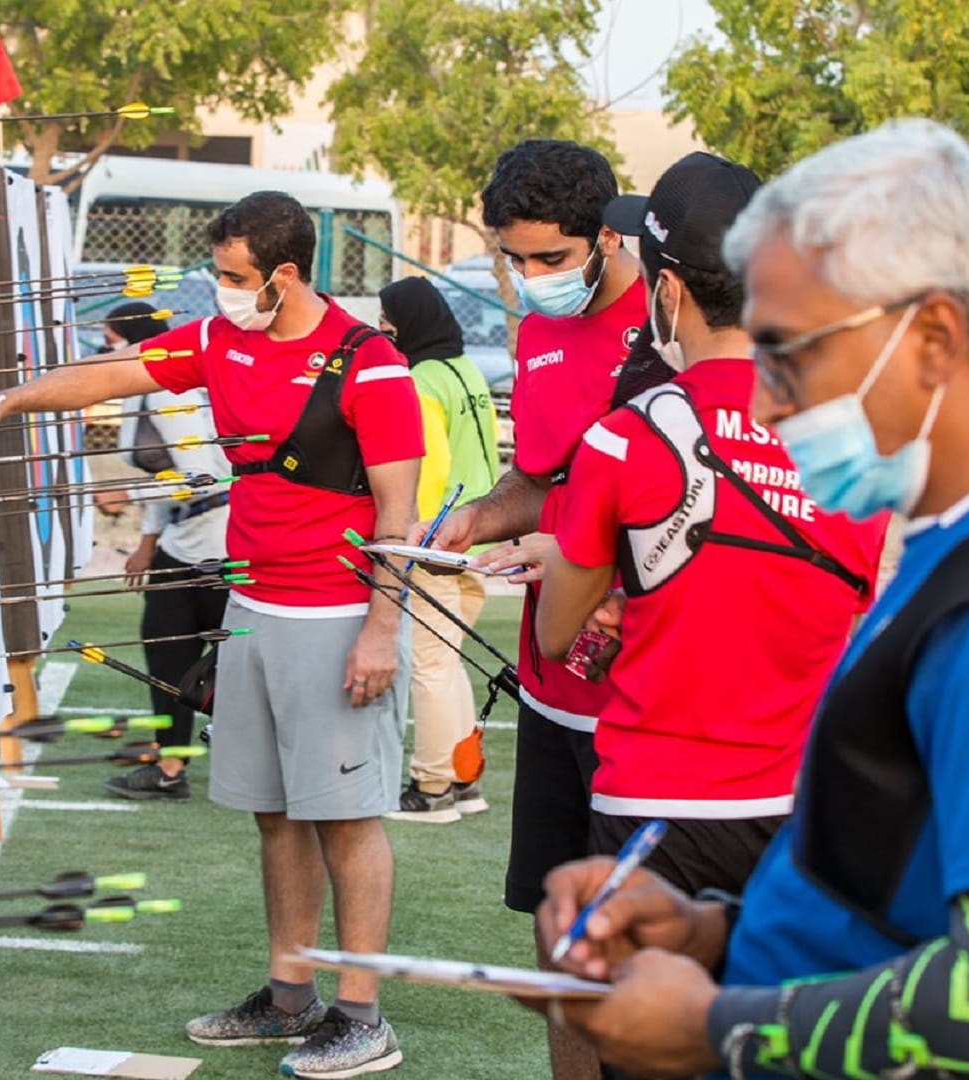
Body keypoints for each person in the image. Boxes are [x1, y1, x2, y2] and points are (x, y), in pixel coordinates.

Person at [533, 119, 969, 1080]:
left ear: (932, 338)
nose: (767, 401)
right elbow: (907, 888)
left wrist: (718, 1027)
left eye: (789, 351)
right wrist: (713, 931)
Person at [0, 192, 422, 1079]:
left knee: (346, 821)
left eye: (235, 277)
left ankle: (363, 1017)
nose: (222, 290)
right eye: (218, 272)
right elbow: (113, 376)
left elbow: (400, 515)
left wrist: (380, 629)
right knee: (275, 815)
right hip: (252, 612)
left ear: (285, 274)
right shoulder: (217, 340)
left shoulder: (372, 363)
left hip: (337, 618)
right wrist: (9, 400)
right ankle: (290, 998)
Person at [534, 152, 887, 896]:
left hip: (654, 809)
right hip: (803, 809)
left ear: (667, 291)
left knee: (627, 978)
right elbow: (837, 612)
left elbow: (555, 635)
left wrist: (614, 594)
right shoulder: (854, 442)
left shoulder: (624, 437)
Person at [415, 139, 655, 1080]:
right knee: (559, 935)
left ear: (608, 237)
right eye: (513, 260)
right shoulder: (539, 333)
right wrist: (474, 518)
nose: (531, 279)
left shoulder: (675, 324)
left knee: (644, 950)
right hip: (555, 690)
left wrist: (598, 572)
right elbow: (540, 477)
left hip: (647, 702)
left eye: (551, 258)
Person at [375, 277, 500, 824]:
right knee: (447, 663)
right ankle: (464, 780)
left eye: (387, 319)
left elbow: (428, 466)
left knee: (430, 665)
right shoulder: (466, 370)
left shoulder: (420, 380)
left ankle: (431, 787)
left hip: (436, 540)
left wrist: (413, 541)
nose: (383, 328)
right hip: (479, 533)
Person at [98, 301, 232, 801]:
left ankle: (243, 760)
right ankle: (170, 765)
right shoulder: (156, 385)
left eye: (110, 343)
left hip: (218, 548)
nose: (103, 354)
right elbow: (168, 474)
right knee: (168, 654)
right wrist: (148, 541)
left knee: (224, 661)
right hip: (185, 543)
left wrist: (127, 495)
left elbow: (200, 478)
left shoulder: (168, 390)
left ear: (131, 342)